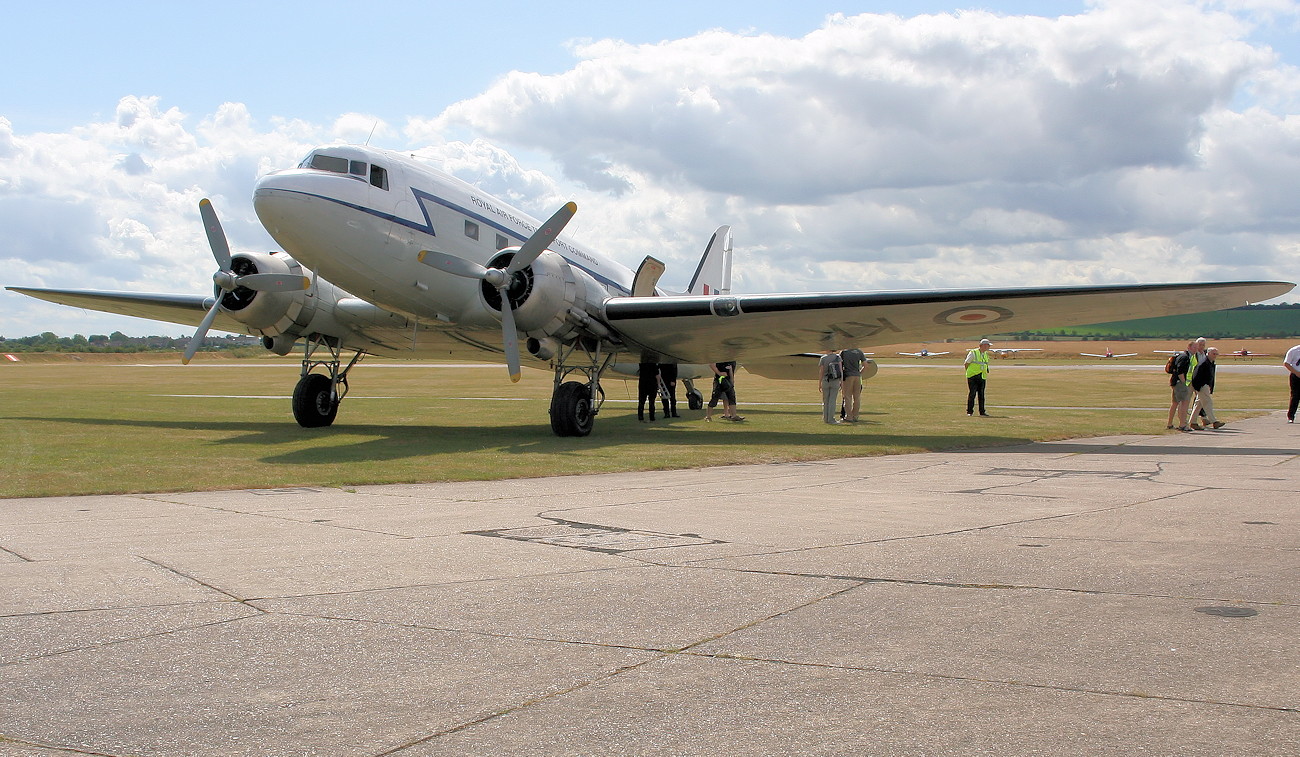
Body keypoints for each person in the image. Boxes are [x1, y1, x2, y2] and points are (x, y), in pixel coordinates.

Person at [1188, 347, 1224, 430]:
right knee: (1208, 403)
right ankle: (1214, 422)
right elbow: (1195, 376)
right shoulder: (1203, 363)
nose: (1215, 355)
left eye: (1216, 354)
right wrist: (1198, 387)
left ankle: (1193, 422)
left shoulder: (1210, 363)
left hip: (1206, 386)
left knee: (1198, 405)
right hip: (1202, 386)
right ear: (1208, 353)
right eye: (1213, 354)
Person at [1166, 340, 1195, 431]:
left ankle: (1170, 424)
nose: (1196, 349)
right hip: (1180, 383)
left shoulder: (1183, 356)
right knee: (1184, 402)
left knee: (1175, 403)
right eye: (1194, 347)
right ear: (1189, 347)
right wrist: (1184, 383)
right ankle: (1182, 424)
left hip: (1175, 382)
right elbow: (1180, 371)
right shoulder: (1185, 357)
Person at [964, 339, 992, 416]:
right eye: (987, 345)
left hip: (982, 376)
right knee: (972, 394)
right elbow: (966, 363)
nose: (988, 347)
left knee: (981, 394)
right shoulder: (973, 353)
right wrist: (969, 372)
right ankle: (969, 411)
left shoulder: (985, 354)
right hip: (973, 376)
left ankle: (982, 412)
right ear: (982, 345)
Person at [840, 346, 867, 422]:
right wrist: (859, 373)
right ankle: (855, 415)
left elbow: (840, 364)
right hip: (857, 376)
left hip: (848, 375)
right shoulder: (859, 351)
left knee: (847, 396)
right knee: (857, 397)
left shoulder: (844, 352)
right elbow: (865, 365)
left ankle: (849, 416)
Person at [818, 349, 844, 424]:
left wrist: (820, 383)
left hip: (825, 381)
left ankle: (825, 418)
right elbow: (840, 370)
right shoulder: (837, 357)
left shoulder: (823, 358)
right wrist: (841, 382)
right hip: (835, 381)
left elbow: (821, 372)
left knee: (825, 401)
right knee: (832, 400)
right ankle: (831, 419)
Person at [1285, 343, 1300, 423]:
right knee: (1295, 396)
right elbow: (1286, 363)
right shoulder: (1294, 350)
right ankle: (1291, 416)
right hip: (1296, 376)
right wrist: (1297, 373)